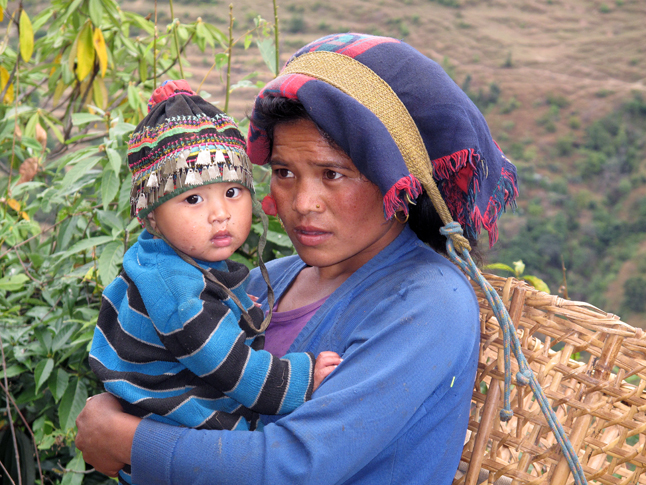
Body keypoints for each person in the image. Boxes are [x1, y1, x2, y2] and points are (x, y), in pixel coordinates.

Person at [77, 33, 519, 484]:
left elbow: (292, 466)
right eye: (285, 173)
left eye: (332, 174)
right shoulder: (269, 279)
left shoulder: (427, 304)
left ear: (394, 177)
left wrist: (126, 440)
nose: (304, 202)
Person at [88, 80, 341, 484]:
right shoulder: (173, 286)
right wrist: (299, 378)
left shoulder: (170, 261)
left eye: (232, 191)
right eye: (193, 199)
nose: (220, 214)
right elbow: (228, 365)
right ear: (150, 216)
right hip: (182, 434)